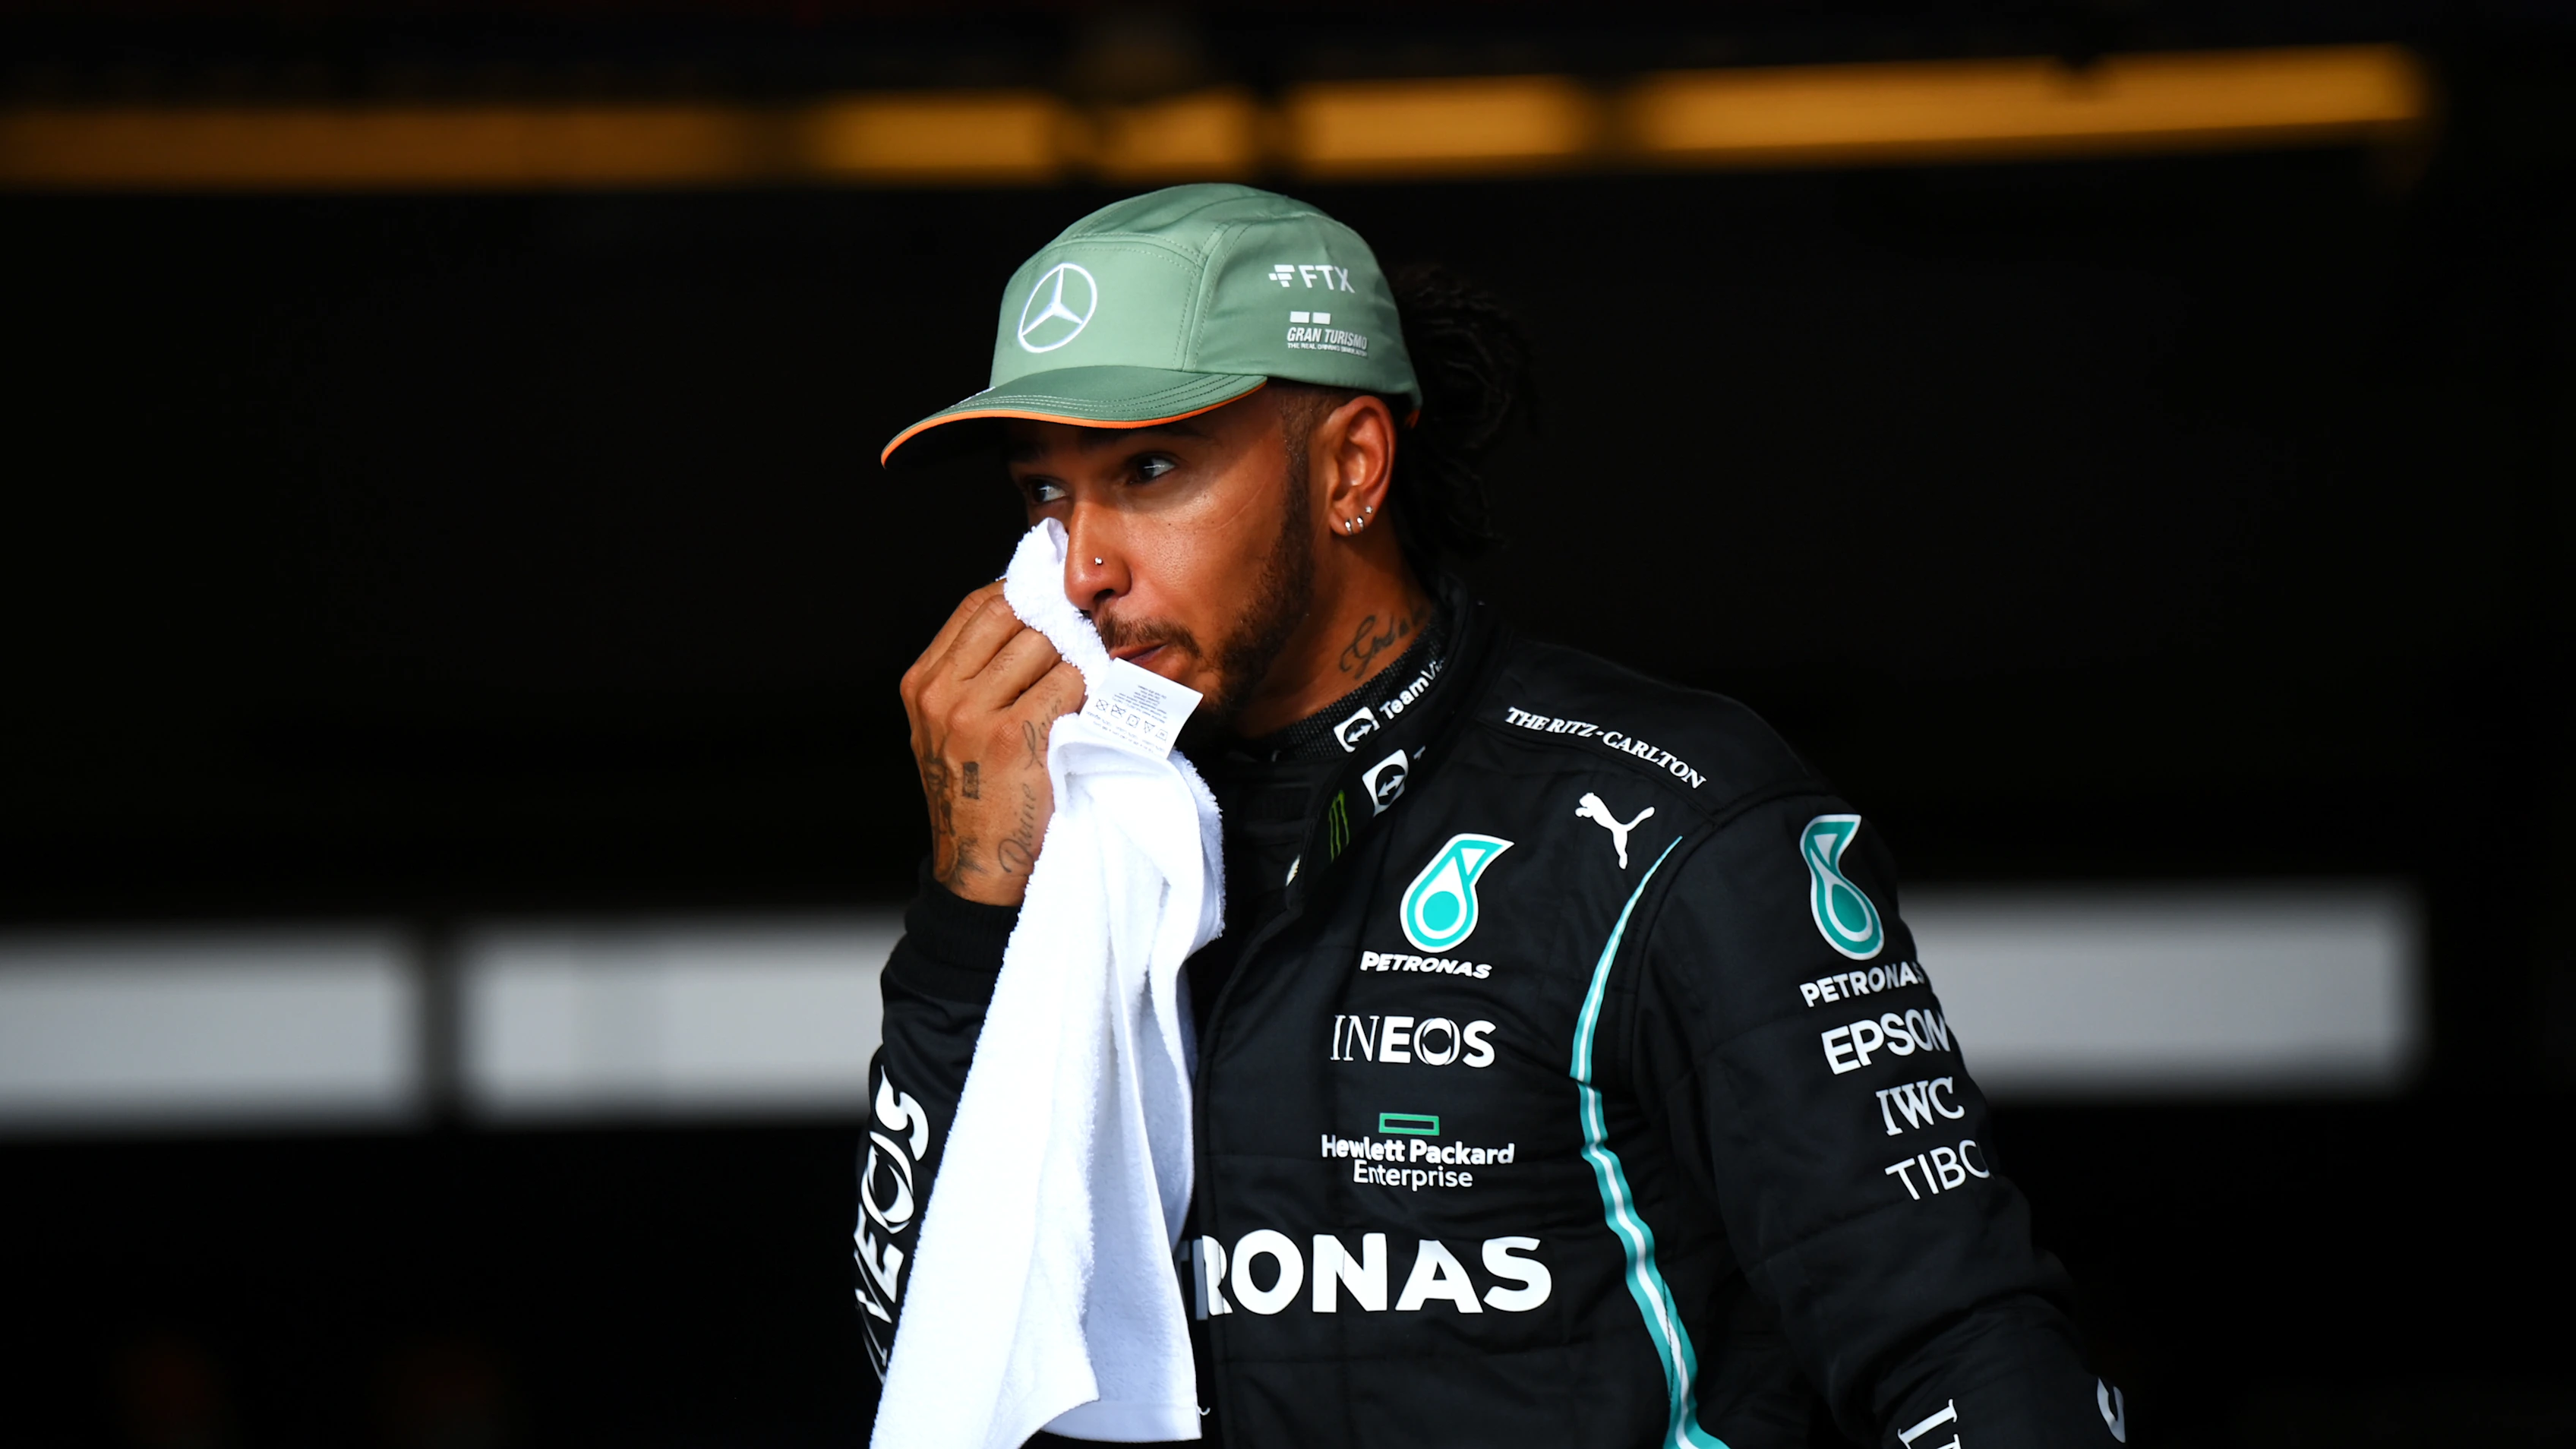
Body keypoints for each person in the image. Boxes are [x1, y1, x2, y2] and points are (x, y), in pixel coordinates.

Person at [860, 184, 2124, 1449]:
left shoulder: (1659, 816)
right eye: (1045, 495)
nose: (1083, 566)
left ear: (1351, 466)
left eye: (1149, 469)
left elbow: (1961, 1341)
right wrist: (973, 911)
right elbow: (943, 1356)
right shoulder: (1082, 849)